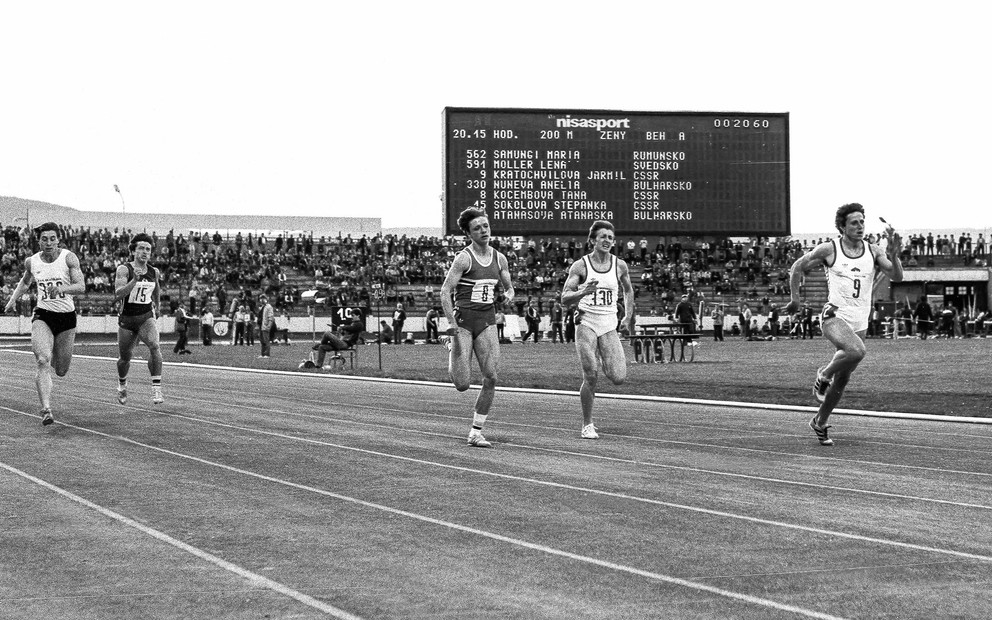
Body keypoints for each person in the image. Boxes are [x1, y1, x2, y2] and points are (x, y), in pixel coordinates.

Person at [786, 203, 903, 446]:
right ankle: (823, 373)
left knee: (843, 380)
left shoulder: (873, 250)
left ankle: (819, 422)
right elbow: (798, 265)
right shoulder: (830, 249)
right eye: (854, 222)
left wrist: (894, 254)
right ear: (842, 226)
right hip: (834, 316)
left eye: (862, 221)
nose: (860, 226)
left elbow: (897, 276)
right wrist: (795, 299)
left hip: (860, 320)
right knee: (856, 351)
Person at [440, 207, 515, 448]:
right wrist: (451, 324)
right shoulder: (464, 258)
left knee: (491, 376)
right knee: (462, 384)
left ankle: (475, 431)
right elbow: (445, 291)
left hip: (487, 319)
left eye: (485, 226)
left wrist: (509, 294)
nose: (483, 231)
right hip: (463, 321)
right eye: (477, 228)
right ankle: (451, 345)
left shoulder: (499, 258)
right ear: (469, 234)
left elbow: (508, 286)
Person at [3, 222, 86, 425]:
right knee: (42, 360)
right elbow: (25, 282)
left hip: (66, 318)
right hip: (43, 315)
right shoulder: (32, 261)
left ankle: (56, 356)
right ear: (38, 241)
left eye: (52, 238)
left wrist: (63, 289)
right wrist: (12, 300)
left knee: (61, 370)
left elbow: (81, 286)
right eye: (44, 239)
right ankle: (46, 409)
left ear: (58, 240)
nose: (48, 243)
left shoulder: (68, 258)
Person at [560, 220, 635, 439]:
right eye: (602, 236)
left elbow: (629, 291)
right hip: (586, 322)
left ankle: (603, 354)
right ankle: (587, 424)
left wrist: (627, 317)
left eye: (611, 238)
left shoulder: (619, 265)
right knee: (590, 375)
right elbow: (565, 298)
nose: (607, 241)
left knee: (618, 377)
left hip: (609, 323)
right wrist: (583, 291)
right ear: (593, 240)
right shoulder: (581, 266)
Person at [114, 232, 164, 405]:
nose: (145, 252)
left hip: (145, 317)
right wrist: (134, 280)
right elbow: (118, 294)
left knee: (155, 345)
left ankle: (156, 388)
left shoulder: (153, 271)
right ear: (133, 251)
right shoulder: (124, 269)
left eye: (148, 249)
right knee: (125, 359)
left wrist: (157, 306)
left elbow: (156, 289)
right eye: (141, 248)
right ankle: (122, 384)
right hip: (127, 320)